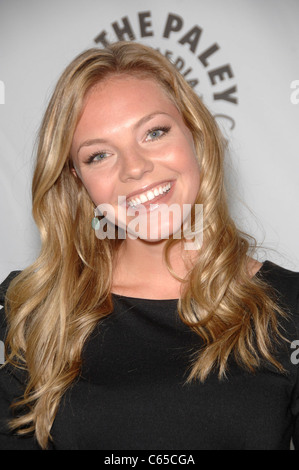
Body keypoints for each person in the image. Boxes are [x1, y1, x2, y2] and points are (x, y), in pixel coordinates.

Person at [0, 41, 298, 451]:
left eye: (154, 132)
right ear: (76, 179)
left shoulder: (290, 306)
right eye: (99, 155)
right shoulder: (30, 311)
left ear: (194, 131)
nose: (135, 167)